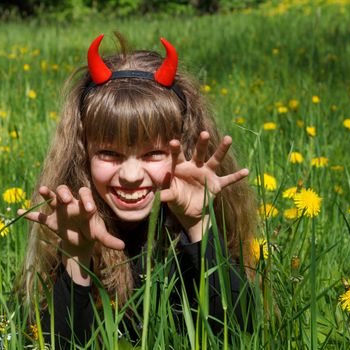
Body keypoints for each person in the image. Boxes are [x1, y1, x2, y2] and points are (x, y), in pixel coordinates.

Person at [17, 33, 258, 348]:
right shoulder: (73, 220)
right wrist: (76, 257)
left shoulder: (198, 223)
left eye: (152, 153)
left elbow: (241, 332)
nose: (130, 175)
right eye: (109, 153)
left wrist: (200, 225)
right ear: (82, 155)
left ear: (184, 147)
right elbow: (55, 343)